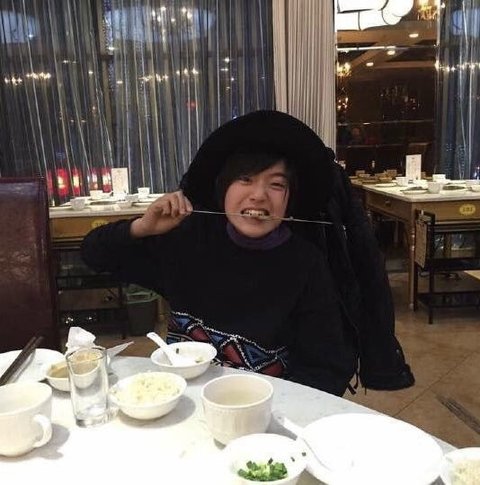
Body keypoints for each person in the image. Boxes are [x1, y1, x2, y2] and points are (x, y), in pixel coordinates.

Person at [81, 110, 414, 395]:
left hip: (264, 413)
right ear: (223, 188)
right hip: (183, 401)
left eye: (276, 184)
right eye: (245, 179)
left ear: (289, 200)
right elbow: (94, 254)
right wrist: (142, 227)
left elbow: (326, 370)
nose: (259, 195)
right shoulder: (188, 240)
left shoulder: (305, 264)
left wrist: (262, 411)